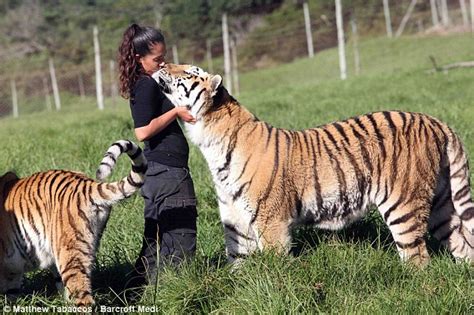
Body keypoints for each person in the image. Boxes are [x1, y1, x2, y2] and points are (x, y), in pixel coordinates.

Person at [118, 23, 198, 288]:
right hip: (167, 175)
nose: (162, 63)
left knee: (153, 243)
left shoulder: (147, 81)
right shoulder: (145, 86)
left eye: (164, 56)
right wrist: (175, 112)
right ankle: (176, 292)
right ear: (139, 58)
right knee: (180, 242)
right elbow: (142, 132)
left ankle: (138, 295)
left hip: (159, 173)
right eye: (157, 59)